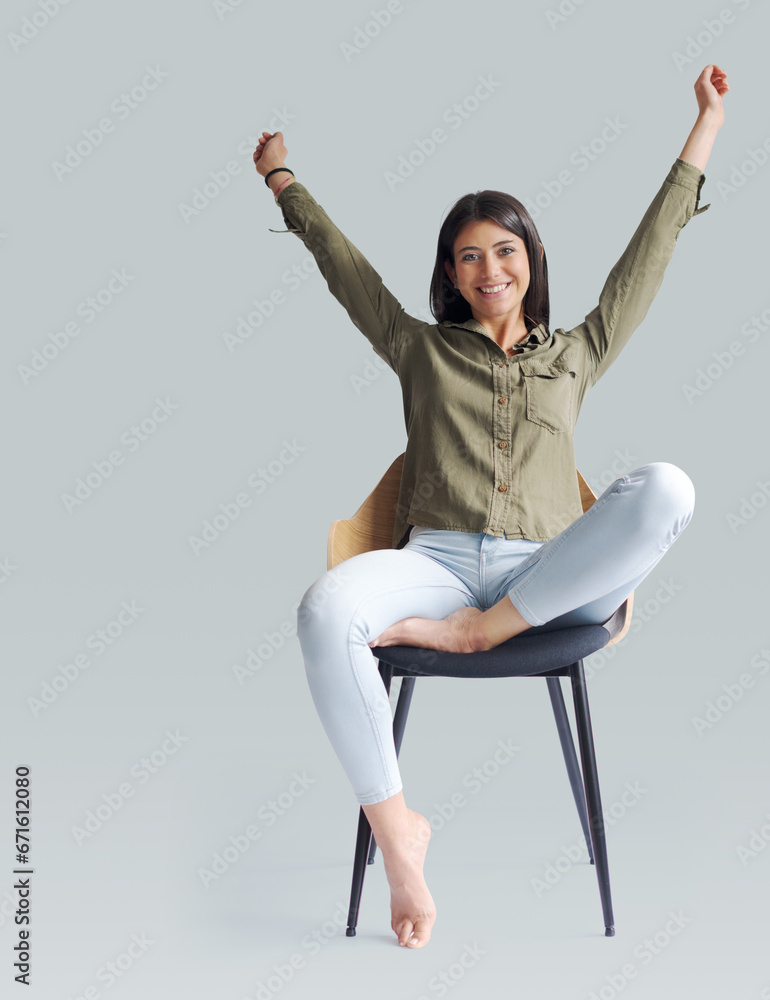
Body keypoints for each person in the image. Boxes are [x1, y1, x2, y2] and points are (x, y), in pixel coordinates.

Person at [253, 64, 728, 950]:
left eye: (504, 249)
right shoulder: (420, 350)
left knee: (668, 487)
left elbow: (653, 248)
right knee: (324, 612)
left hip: (546, 575)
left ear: (530, 260)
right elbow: (345, 268)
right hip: (431, 566)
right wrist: (283, 179)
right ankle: (400, 836)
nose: (488, 266)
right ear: (452, 273)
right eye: (469, 254)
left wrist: (706, 124)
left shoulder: (579, 351)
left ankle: (484, 632)